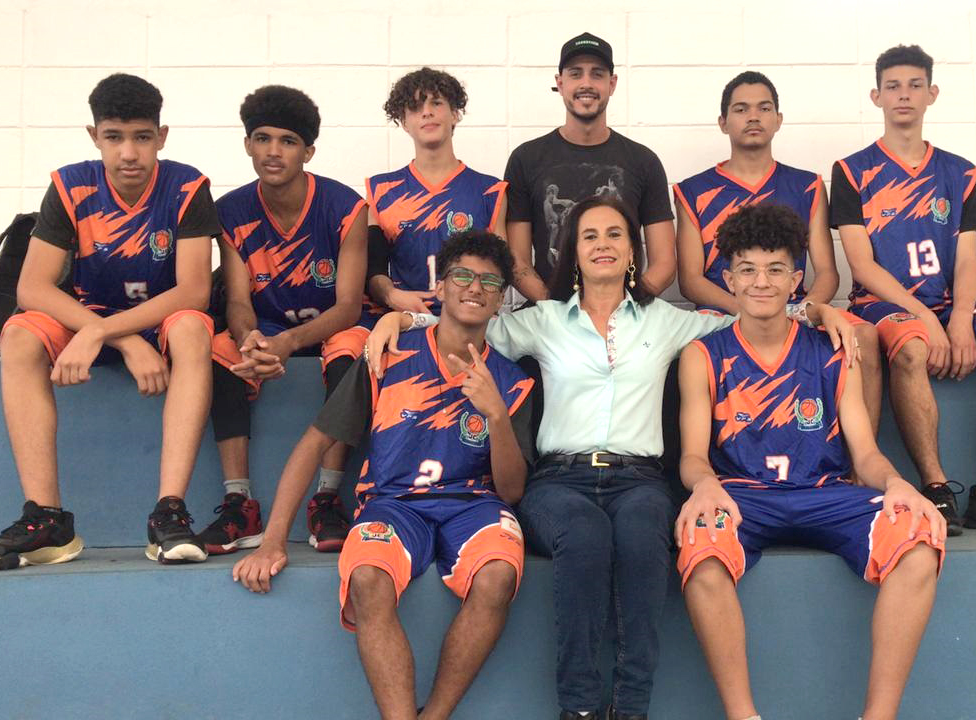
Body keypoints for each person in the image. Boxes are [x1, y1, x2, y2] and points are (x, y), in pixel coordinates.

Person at [366, 196, 856, 720]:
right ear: (574, 252)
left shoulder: (666, 320)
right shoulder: (543, 320)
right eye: (590, 235)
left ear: (632, 252)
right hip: (559, 479)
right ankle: (578, 708)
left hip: (639, 478)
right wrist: (401, 319)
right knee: (583, 534)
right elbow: (464, 324)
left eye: (615, 234)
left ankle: (629, 709)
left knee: (645, 535)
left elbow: (751, 315)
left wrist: (818, 310)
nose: (603, 244)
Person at [232, 230, 534, 720]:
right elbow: (314, 443)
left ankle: (434, 715)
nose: (475, 287)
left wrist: (496, 415)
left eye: (490, 281)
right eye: (462, 275)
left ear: (501, 300)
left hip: (474, 507)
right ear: (440, 288)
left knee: (497, 575)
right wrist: (273, 541)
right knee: (368, 578)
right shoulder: (388, 354)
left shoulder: (513, 381)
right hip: (392, 505)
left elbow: (513, 491)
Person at [675, 203, 945, 720]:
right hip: (744, 497)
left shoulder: (832, 350)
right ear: (729, 279)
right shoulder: (702, 355)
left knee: (917, 540)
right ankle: (743, 716)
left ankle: (879, 716)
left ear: (796, 279)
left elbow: (864, 452)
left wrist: (897, 484)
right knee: (700, 546)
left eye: (775, 269)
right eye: (747, 270)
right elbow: (692, 455)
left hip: (825, 492)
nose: (761, 282)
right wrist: (704, 486)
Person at [0, 73, 218, 570]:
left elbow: (194, 291)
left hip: (154, 323)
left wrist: (105, 332)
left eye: (142, 137)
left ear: (162, 137)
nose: (129, 153)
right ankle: (46, 520)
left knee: (191, 327)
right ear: (94, 135)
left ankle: (169, 513)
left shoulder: (187, 187)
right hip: (88, 319)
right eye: (114, 137)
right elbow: (32, 288)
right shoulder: (70, 185)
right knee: (19, 333)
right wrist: (112, 335)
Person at [830, 45, 976, 535]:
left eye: (914, 85)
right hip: (883, 305)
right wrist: (926, 317)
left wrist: (960, 319)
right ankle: (935, 487)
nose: (903, 95)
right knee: (912, 346)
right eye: (892, 86)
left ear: (931, 94)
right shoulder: (851, 171)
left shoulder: (959, 172)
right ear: (876, 96)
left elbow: (967, 258)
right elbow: (861, 265)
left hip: (949, 303)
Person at [197, 85, 370, 555]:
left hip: (331, 326)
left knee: (352, 351)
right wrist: (250, 340)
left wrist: (290, 343)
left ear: (308, 151)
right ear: (248, 144)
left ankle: (327, 497)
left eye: (288, 141)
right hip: (268, 328)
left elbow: (349, 306)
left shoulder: (346, 207)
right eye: (263, 138)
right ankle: (239, 504)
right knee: (221, 351)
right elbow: (237, 300)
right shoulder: (230, 211)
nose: (273, 151)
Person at [674, 70, 883, 431]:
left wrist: (804, 309)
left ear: (778, 119)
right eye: (741, 109)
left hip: (791, 308)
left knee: (863, 335)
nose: (753, 116)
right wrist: (748, 309)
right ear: (723, 122)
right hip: (722, 311)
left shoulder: (807, 185)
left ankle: (862, 456)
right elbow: (691, 280)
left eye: (764, 108)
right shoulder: (692, 191)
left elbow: (827, 272)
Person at [503, 32, 676, 302]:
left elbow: (664, 264)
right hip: (548, 313)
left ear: (612, 84)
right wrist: (556, 311)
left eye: (597, 74)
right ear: (560, 83)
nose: (586, 83)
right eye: (575, 74)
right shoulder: (525, 159)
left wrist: (625, 307)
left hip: (624, 314)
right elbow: (517, 262)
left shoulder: (643, 161)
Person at [366, 67, 507, 316]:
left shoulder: (490, 191)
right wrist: (391, 295)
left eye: (436, 103)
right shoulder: (380, 190)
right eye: (415, 107)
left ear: (455, 114)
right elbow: (372, 270)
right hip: (406, 320)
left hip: (470, 320)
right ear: (404, 122)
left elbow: (501, 270)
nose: (427, 112)